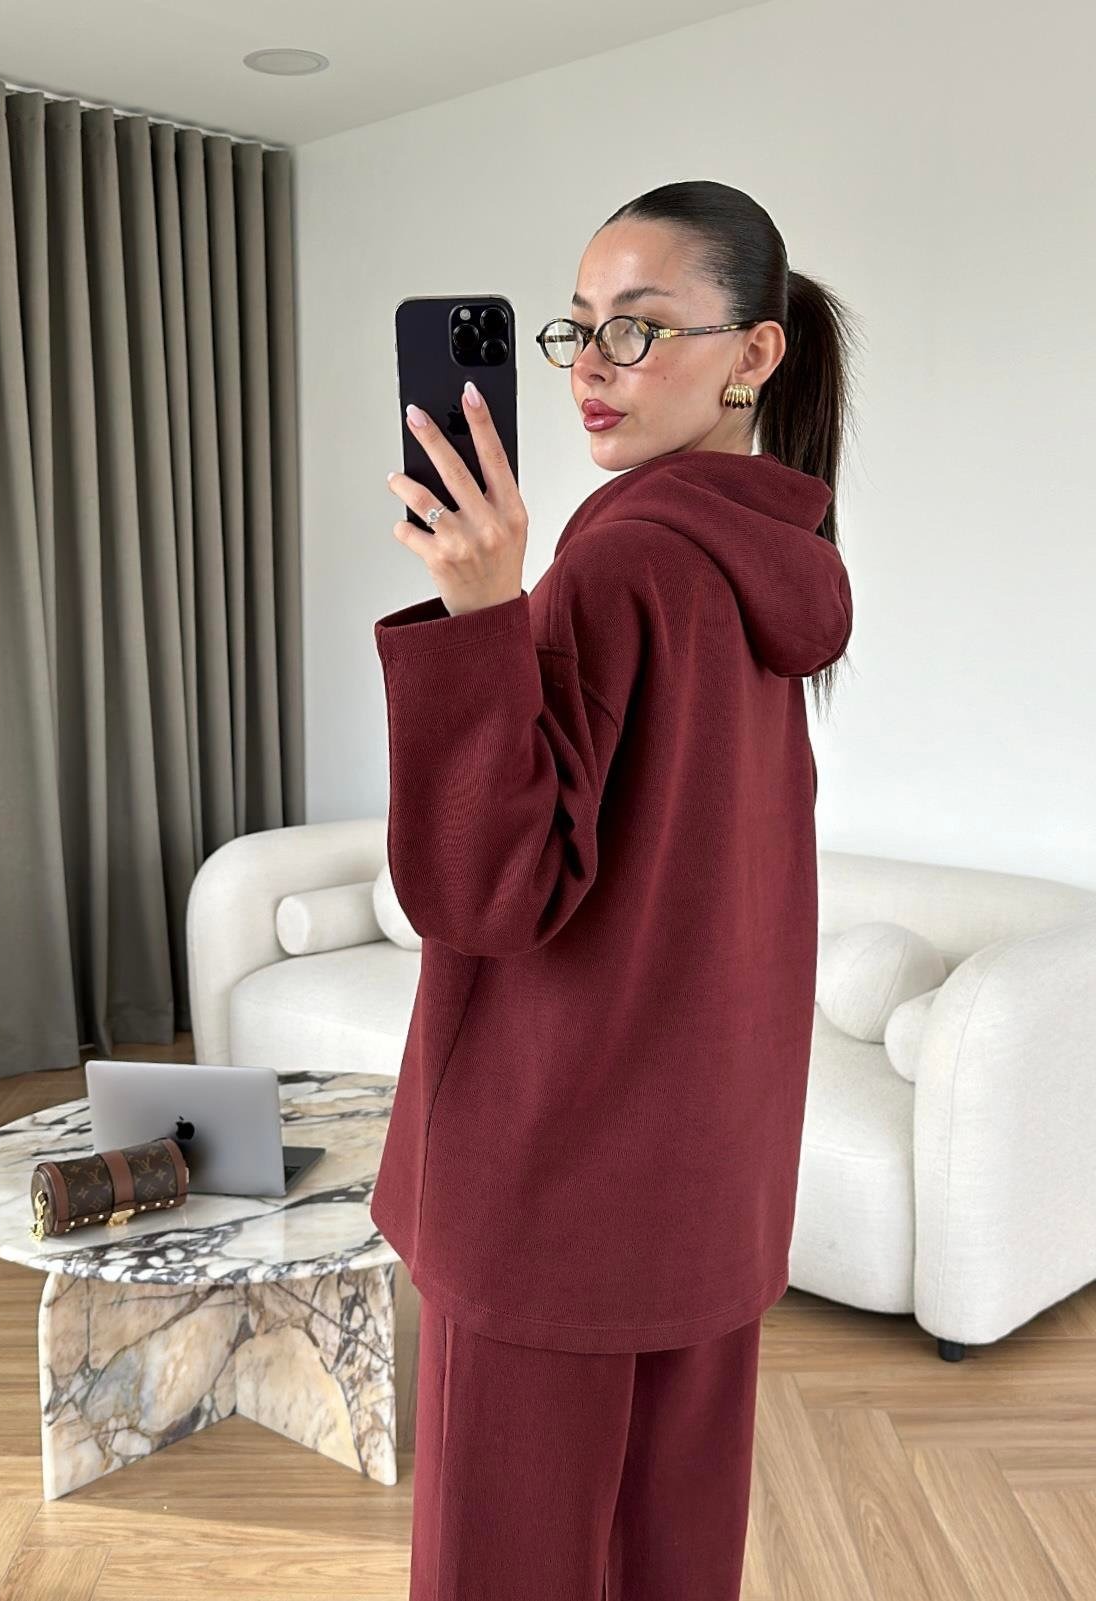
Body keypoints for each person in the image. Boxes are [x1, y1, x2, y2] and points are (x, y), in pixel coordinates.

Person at [372, 178, 857, 1600]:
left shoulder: (622, 561)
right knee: (670, 1563)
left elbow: (490, 891)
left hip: (554, 1185)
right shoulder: (777, 566)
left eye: (638, 329)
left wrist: (482, 615)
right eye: (577, 326)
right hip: (707, 1181)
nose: (591, 366)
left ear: (753, 354)